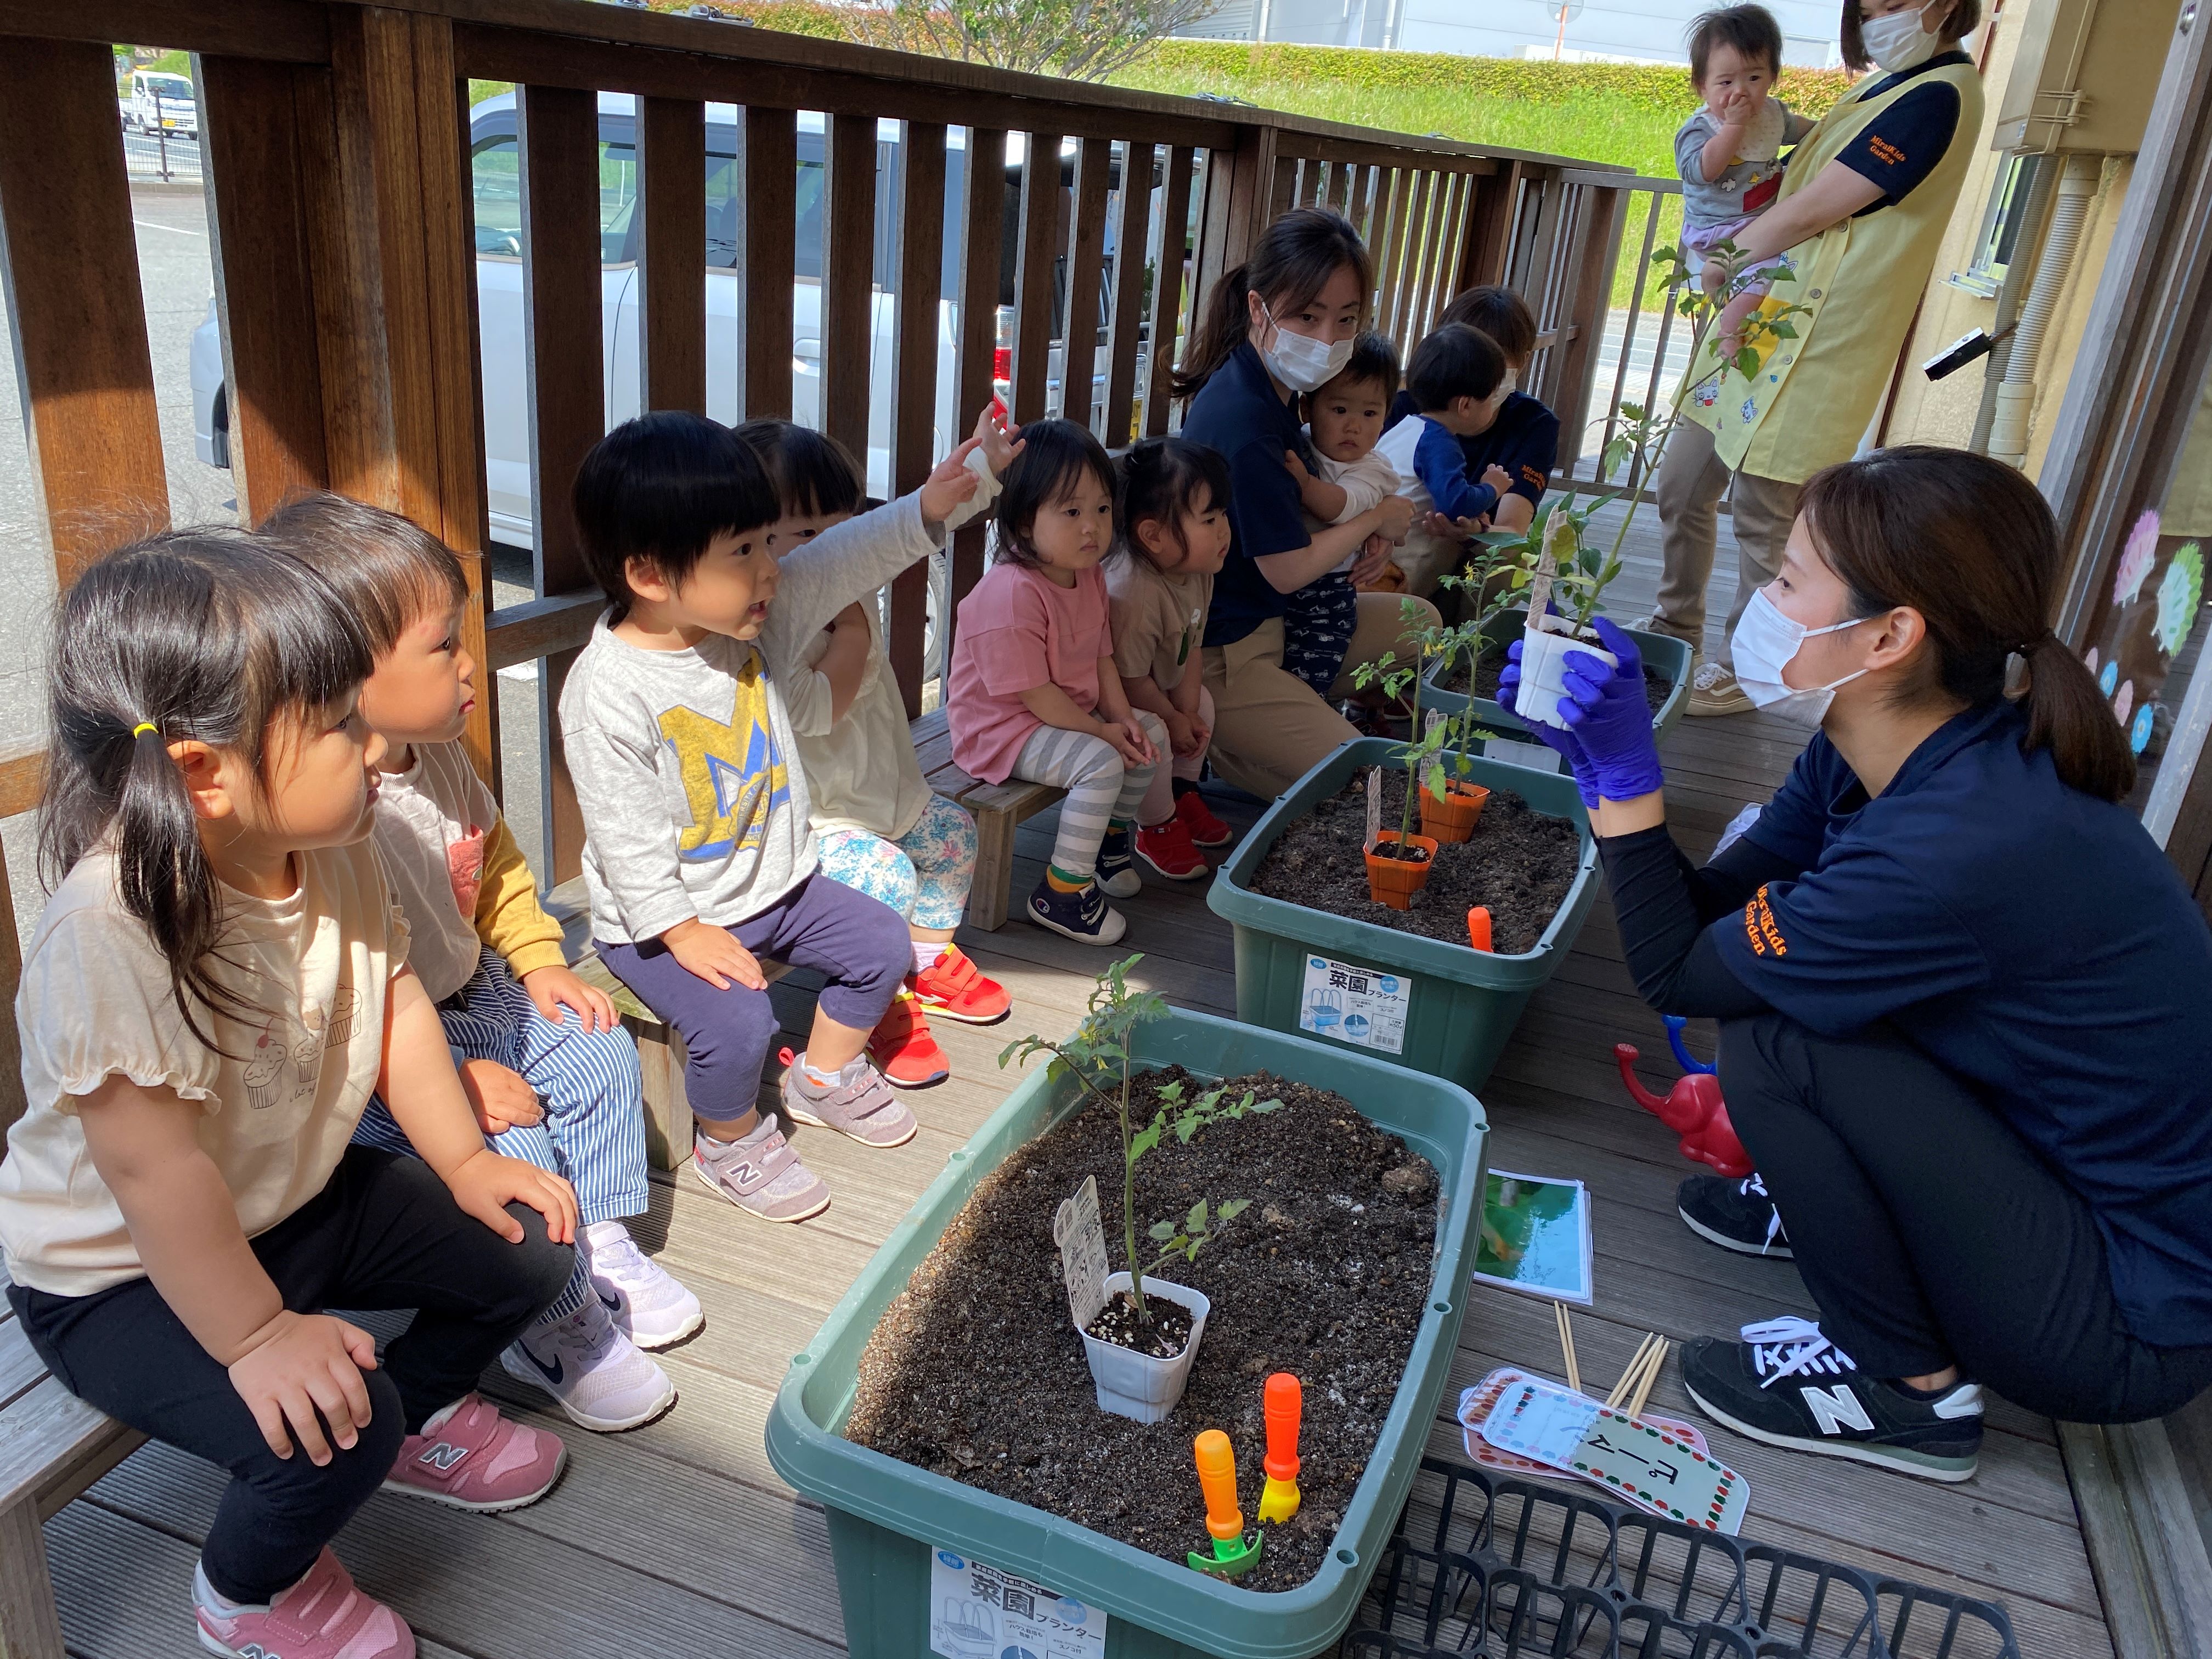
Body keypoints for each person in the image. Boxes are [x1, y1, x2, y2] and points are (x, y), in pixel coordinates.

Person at [1500, 447, 2212, 1481]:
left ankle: (1912, 1388)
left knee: (1778, 1031)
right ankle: (1849, 1222)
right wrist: (1604, 772)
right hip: (2050, 1176)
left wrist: (1625, 780)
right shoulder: (1882, 747)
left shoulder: (1957, 844)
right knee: (1779, 989)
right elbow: (1706, 919)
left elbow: (1683, 978)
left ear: (1889, 635)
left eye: (1788, 580)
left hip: (2120, 1314)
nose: (1764, 598)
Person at [0, 532, 578, 1659]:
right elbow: (151, 1177)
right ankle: (248, 1594)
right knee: (325, 1437)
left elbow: (399, 997)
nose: (376, 748)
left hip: (284, 1206)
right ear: (205, 771)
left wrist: (463, 1163)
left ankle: (416, 1416)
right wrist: (262, 1335)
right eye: (341, 726)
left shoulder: (338, 839)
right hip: (116, 1275)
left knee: (530, 1247)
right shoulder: (111, 932)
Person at [266, 493, 697, 1436]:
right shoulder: (328, 814)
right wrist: (454, 1073)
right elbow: (352, 997)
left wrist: (540, 958)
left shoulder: (442, 756)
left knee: (597, 1055)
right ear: (345, 674)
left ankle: (601, 1241)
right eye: (441, 646)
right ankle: (552, 1319)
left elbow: (496, 862)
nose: (471, 664)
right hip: (394, 1052)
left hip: (481, 990)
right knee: (512, 1146)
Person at [561, 412, 983, 1226]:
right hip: (661, 923)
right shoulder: (608, 692)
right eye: (744, 552)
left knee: (883, 945)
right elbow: (624, 840)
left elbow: (840, 556)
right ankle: (730, 1136)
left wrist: (930, 507)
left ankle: (821, 1076)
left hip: (780, 887)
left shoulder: (751, 623)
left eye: (766, 543)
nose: (772, 571)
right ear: (651, 576)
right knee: (738, 1024)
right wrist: (681, 931)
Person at [1649, 0, 1984, 717]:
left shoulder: (1939, 96)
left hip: (1817, 339)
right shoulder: (1881, 85)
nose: (1880, 17)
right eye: (1870, 6)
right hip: (1761, 321)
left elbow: (1815, 208)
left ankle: (1747, 666)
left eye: (1896, 3)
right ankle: (1674, 625)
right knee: (1682, 485)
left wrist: (1727, 255)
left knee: (1769, 524)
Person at [736, 412, 1019, 1092]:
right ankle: (878, 997)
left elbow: (900, 532)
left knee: (951, 833)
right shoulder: (771, 617)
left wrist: (981, 474)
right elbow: (810, 711)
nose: (833, 548)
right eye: (806, 534)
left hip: (882, 793)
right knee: (885, 878)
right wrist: (854, 641)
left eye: (841, 524)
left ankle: (924, 962)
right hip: (816, 824)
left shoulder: (848, 584)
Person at [1172, 207, 1426, 800]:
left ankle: (1284, 729)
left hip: (1286, 623)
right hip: (1224, 654)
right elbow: (1285, 568)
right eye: (1307, 317)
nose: (1327, 339)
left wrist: (1376, 526)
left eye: (1345, 320)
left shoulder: (1279, 386)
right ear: (1259, 310)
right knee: (1368, 786)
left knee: (1423, 623)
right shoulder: (1247, 423)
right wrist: (1376, 518)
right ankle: (1239, 739)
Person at [945, 419, 1171, 945]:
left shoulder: (1087, 572)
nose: (1091, 526)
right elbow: (1036, 696)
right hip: (1002, 729)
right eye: (1071, 512)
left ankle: (1109, 845)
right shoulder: (1011, 594)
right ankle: (1063, 892)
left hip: (1061, 715)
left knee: (1149, 732)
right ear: (1025, 522)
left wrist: (1120, 720)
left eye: (1101, 508)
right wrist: (1102, 735)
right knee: (1102, 761)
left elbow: (1102, 658)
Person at [1108, 436, 1239, 874]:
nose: (1224, 530)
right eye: (1209, 519)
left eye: (1223, 514)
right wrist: (1172, 716)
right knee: (1157, 734)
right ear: (1153, 535)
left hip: (1150, 686)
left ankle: (1184, 795)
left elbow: (1193, 645)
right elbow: (1128, 680)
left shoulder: (1197, 569)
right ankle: (1154, 826)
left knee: (1201, 702)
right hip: (1107, 701)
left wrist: (1186, 712)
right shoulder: (1135, 592)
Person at [1675, 7, 1820, 361]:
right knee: (1762, 278)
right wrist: (1733, 129)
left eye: (1754, 78)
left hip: (1758, 221)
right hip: (1718, 230)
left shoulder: (1772, 116)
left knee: (1775, 272)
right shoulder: (1700, 129)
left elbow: (1809, 132)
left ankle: (1730, 305)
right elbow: (1703, 171)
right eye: (1725, 83)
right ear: (1701, 86)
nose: (1740, 92)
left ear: (1772, 77)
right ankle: (1729, 334)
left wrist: (1832, 128)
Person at [1281, 332, 1405, 696]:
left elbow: (1342, 507)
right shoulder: (1300, 442)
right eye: (1340, 410)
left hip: (1329, 595)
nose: (1354, 426)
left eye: (1370, 413)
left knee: (1310, 674)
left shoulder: (1372, 471)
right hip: (1287, 582)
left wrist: (1305, 486)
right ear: (1307, 409)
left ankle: (1318, 711)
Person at [1387, 284, 1559, 541]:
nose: (1470, 374)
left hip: (1477, 557)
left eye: (1489, 361)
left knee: (1515, 562)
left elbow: (1512, 531)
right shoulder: (1399, 407)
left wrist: (1477, 532)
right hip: (1391, 544)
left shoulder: (1535, 424)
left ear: (1522, 361)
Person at [1374, 324, 1521, 600]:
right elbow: (1455, 504)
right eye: (1491, 398)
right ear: (1465, 406)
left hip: (1377, 556)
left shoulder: (1406, 429)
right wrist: (1492, 489)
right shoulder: (1438, 443)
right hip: (1395, 571)